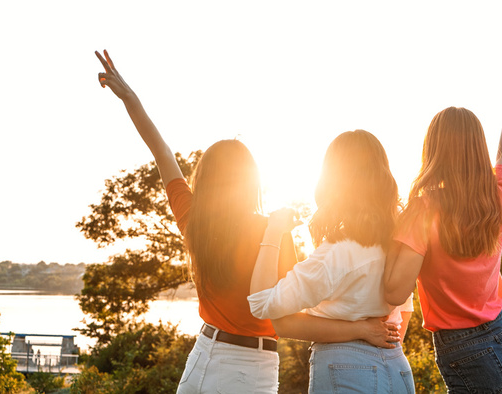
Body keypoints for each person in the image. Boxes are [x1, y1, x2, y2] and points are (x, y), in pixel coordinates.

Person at [95, 51, 400, 394]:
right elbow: (287, 320)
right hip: (248, 369)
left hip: (200, 357)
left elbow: (161, 151)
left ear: (205, 180)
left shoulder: (194, 222)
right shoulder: (271, 233)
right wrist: (360, 328)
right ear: (251, 182)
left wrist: (130, 98)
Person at [382, 1, 502, 393]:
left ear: (433, 151)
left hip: (469, 355)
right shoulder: (498, 193)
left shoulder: (425, 208)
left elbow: (395, 292)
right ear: (479, 148)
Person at [248, 130, 415, 393]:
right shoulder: (399, 244)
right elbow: (404, 309)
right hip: (397, 367)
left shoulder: (336, 253)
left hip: (346, 368)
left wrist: (273, 231)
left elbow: (260, 303)